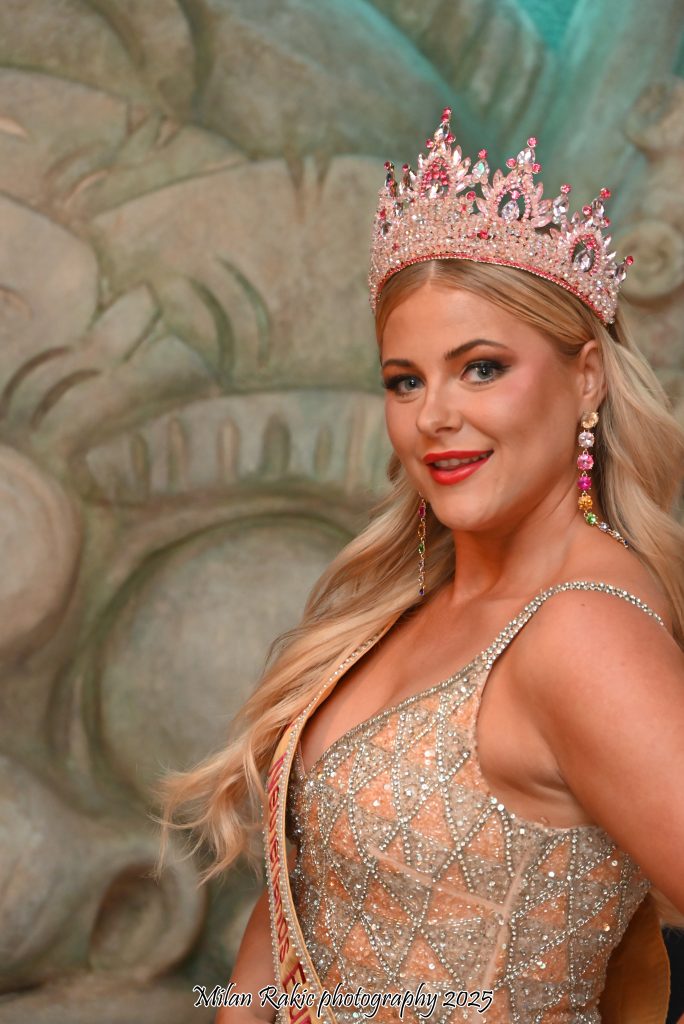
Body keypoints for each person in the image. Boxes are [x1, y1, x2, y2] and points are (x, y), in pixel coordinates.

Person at [154, 109, 684, 1024]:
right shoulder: (407, 601)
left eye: (481, 369)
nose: (434, 415)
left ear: (587, 377)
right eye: (406, 380)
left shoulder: (586, 631)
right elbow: (305, 895)